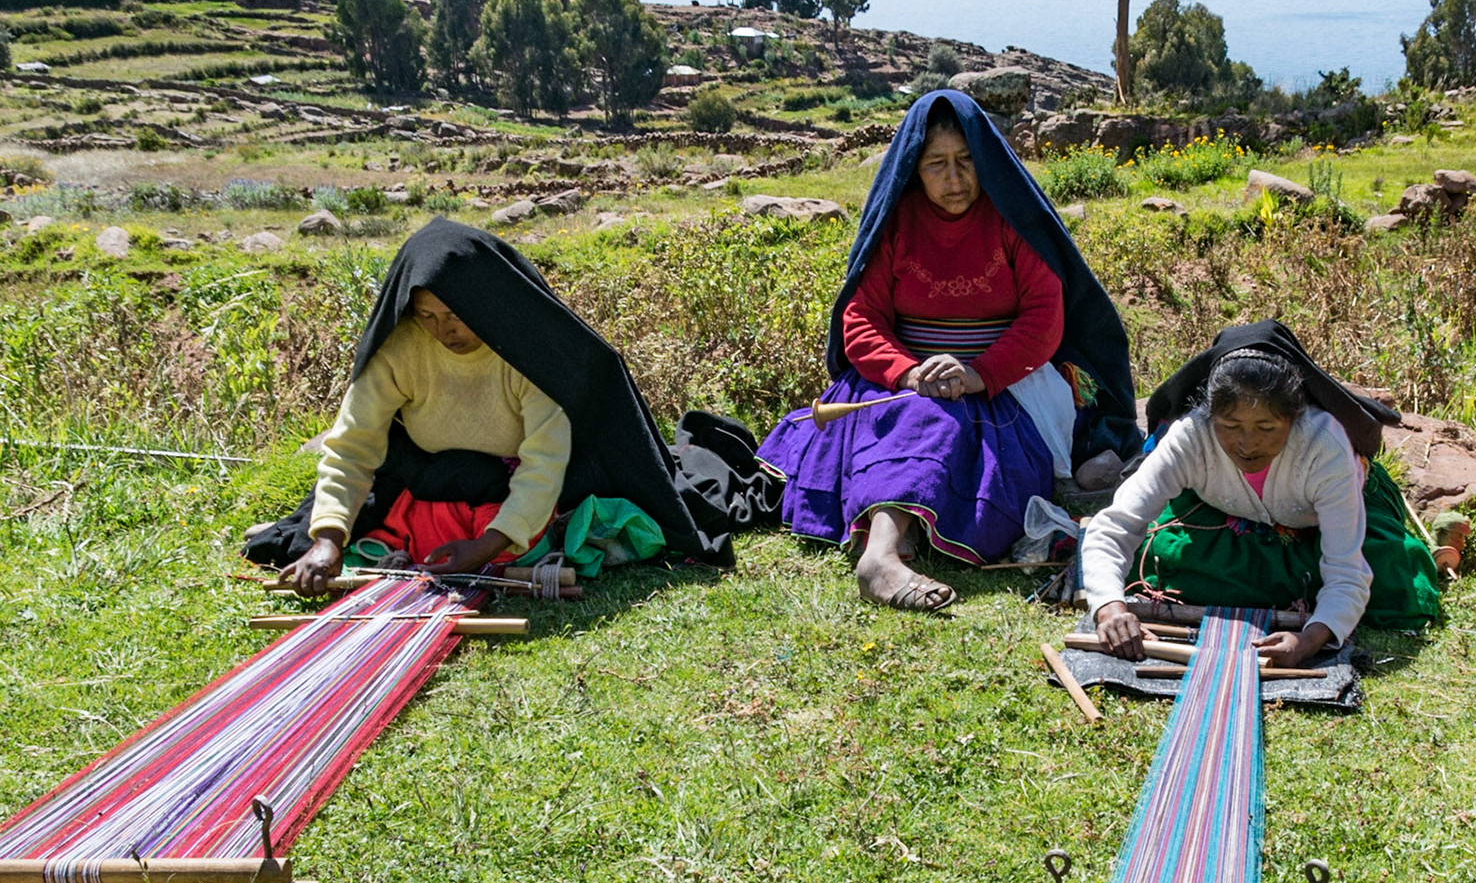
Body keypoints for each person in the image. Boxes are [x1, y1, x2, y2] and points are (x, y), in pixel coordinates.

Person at [758, 91, 1138, 611]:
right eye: (937, 164)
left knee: (938, 423)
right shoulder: (896, 224)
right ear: (913, 168)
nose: (954, 179)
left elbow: (1044, 319)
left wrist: (979, 374)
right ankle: (889, 551)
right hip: (904, 377)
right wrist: (910, 373)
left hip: (1005, 380)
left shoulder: (1012, 219)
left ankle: (884, 548)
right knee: (920, 415)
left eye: (966, 162)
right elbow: (861, 319)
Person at [250, 217, 775, 594]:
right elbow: (354, 446)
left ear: (486, 302)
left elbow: (546, 462)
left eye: (455, 315)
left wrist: (487, 546)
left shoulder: (527, 352)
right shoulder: (402, 349)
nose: (443, 331)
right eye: (427, 317)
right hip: (438, 470)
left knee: (584, 487)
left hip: (521, 473)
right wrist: (325, 540)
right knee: (361, 504)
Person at [1084, 321, 1443, 667]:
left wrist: (1311, 638)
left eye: (1267, 427)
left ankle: (1257, 580)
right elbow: (1115, 527)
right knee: (1153, 551)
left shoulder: (1324, 446)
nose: (1247, 443)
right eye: (1230, 425)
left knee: (1392, 569)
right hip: (1220, 515)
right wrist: (1111, 608)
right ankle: (1285, 583)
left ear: (1295, 415)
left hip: (1313, 526)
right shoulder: (1191, 436)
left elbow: (1346, 570)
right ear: (1209, 416)